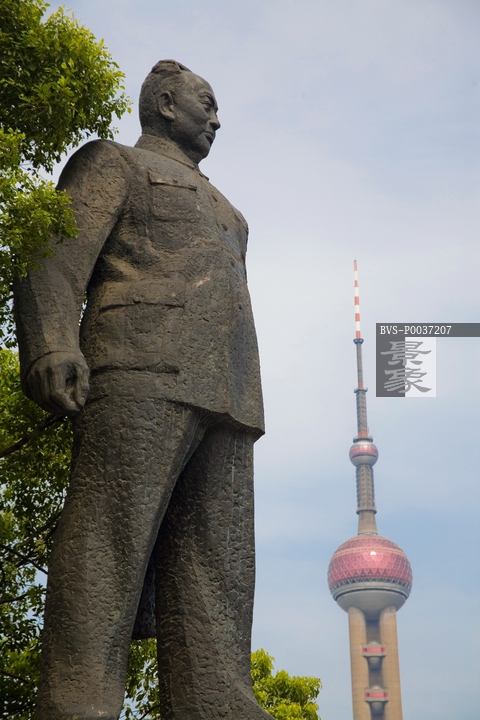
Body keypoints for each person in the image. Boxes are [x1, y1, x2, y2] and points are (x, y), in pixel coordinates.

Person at [14, 60, 268, 720]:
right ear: (165, 103)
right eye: (206, 103)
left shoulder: (231, 213)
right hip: (139, 369)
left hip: (229, 393)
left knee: (219, 568)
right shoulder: (115, 163)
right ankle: (78, 703)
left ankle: (218, 704)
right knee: (108, 542)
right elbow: (52, 253)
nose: (217, 119)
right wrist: (50, 342)